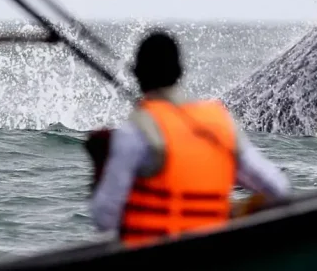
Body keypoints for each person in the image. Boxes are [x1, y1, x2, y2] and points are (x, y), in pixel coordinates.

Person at [89, 29, 291, 246]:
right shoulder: (220, 121)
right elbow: (278, 188)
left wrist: (98, 172)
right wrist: (235, 209)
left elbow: (105, 219)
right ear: (180, 73)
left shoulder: (135, 131)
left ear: (138, 75)